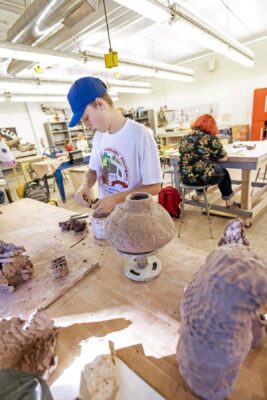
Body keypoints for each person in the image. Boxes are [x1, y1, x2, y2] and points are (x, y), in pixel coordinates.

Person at [67, 76, 161, 215]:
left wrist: (115, 199)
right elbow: (93, 171)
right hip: (108, 215)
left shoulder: (140, 135)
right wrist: (85, 186)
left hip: (135, 216)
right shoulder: (100, 135)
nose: (86, 126)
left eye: (86, 118)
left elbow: (154, 186)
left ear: (100, 104)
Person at [178, 113, 238, 209]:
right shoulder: (211, 138)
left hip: (184, 177)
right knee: (222, 172)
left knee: (205, 169)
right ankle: (229, 202)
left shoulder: (185, 137)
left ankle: (198, 196)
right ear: (212, 126)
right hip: (200, 178)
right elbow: (223, 157)